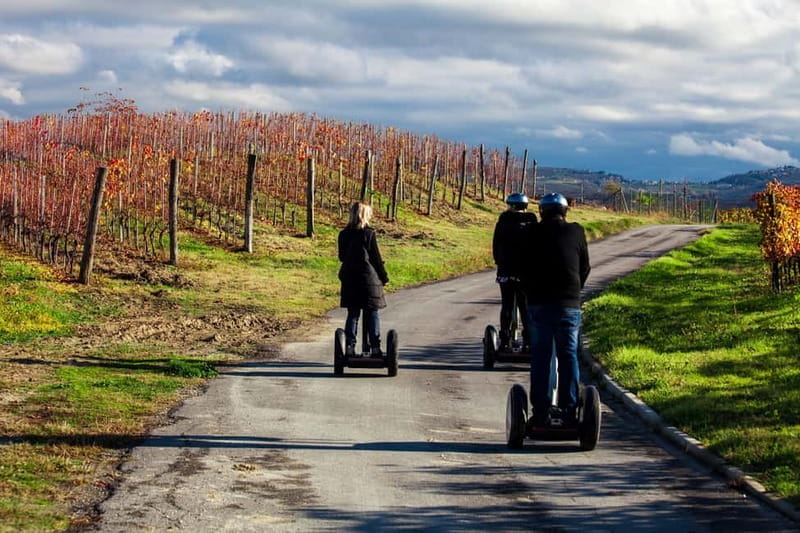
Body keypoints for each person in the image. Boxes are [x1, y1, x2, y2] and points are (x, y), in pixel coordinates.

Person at [523, 192, 590, 426]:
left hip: (540, 304)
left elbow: (525, 267)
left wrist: (529, 291)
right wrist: (574, 290)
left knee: (541, 356)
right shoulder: (577, 231)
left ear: (541, 212)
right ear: (565, 211)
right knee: (568, 355)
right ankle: (569, 411)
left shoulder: (532, 232)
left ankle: (541, 412)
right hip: (569, 304)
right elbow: (585, 267)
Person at [338, 202, 389, 356]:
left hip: (350, 279)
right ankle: (374, 347)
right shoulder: (369, 234)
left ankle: (349, 347)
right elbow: (376, 259)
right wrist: (384, 277)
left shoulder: (343, 234)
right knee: (372, 312)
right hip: (369, 280)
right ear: (365, 215)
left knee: (353, 313)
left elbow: (341, 257)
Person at [492, 192, 537, 352]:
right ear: (525, 206)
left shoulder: (503, 222)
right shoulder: (532, 222)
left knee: (507, 305)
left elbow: (496, 247)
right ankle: (529, 341)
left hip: (506, 271)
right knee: (525, 306)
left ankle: (504, 340)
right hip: (526, 272)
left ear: (509, 205)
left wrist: (500, 262)